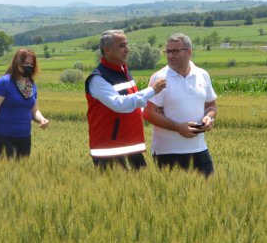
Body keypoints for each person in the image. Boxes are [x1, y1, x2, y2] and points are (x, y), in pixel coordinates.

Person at [85, 30, 166, 169]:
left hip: (132, 145)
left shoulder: (123, 71)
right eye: (122, 46)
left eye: (127, 45)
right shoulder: (98, 78)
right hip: (109, 150)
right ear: (108, 50)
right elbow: (118, 104)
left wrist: (151, 109)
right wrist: (152, 90)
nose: (127, 49)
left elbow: (132, 103)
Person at [143, 33, 217, 176]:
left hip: (199, 148)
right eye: (168, 51)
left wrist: (209, 118)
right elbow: (147, 113)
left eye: (175, 51)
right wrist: (178, 127)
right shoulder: (160, 78)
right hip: (168, 152)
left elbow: (211, 105)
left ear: (189, 52)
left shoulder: (202, 74)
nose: (170, 56)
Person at [0, 48, 50, 158]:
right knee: (8, 171)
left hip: (24, 137)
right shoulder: (4, 83)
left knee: (22, 172)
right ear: (17, 63)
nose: (29, 66)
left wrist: (42, 119)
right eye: (26, 63)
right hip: (1, 136)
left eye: (31, 64)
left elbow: (34, 110)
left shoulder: (31, 85)